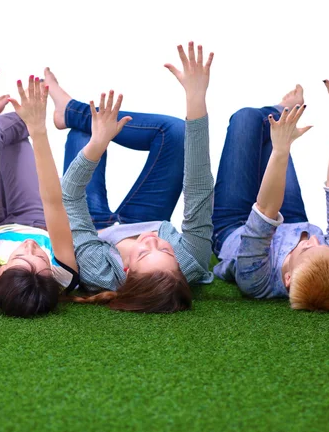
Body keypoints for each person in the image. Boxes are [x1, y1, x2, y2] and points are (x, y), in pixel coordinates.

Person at [53, 41, 215, 313]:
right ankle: (70, 111)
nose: (151, 241)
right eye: (165, 250)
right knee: (176, 133)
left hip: (96, 227)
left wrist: (98, 143)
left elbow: (69, 195)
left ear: (126, 271)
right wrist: (196, 97)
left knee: (84, 137)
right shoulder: (192, 259)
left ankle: (71, 113)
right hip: (145, 216)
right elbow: (199, 187)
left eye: (143, 253)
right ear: (179, 265)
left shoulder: (99, 271)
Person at [212, 56, 329, 311]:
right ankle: (280, 120)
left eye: (307, 250)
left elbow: (265, 213)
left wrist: (282, 151)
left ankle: (280, 113)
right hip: (292, 217)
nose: (312, 240)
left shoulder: (256, 281)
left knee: (245, 120)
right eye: (324, 246)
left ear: (287, 280)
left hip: (235, 226)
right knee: (272, 136)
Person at [0, 49, 79, 318]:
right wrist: (39, 129)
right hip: (35, 219)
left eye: (22, 257)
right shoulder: (63, 274)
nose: (31, 248)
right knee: (19, 137)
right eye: (41, 259)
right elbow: (53, 202)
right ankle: (29, 119)